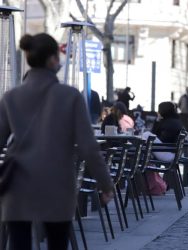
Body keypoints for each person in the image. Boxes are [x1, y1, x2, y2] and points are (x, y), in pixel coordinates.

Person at [0, 33, 114, 250]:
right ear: (52, 59)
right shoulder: (70, 96)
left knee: (18, 243)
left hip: (17, 183)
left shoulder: (10, 97)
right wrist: (105, 183)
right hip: (57, 182)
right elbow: (89, 147)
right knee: (57, 242)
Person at [142, 102, 184, 195]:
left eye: (159, 110)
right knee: (147, 140)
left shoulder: (168, 123)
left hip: (167, 153)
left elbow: (160, 138)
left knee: (146, 135)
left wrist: (157, 122)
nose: (158, 112)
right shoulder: (175, 120)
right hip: (172, 152)